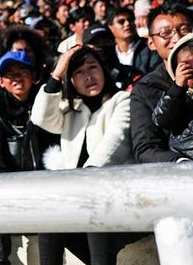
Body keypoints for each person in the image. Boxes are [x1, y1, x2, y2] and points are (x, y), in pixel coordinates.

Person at [31, 46, 137, 265]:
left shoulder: (121, 100)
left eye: (92, 67)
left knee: (96, 216)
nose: (88, 76)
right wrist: (57, 73)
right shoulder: (71, 110)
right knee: (47, 216)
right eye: (79, 72)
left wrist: (85, 183)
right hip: (76, 203)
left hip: (113, 202)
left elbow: (115, 143)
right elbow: (40, 118)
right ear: (71, 81)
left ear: (103, 70)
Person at [0, 51, 58, 265]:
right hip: (8, 187)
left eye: (22, 71)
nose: (16, 77)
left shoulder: (47, 104)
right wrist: (5, 185)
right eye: (9, 73)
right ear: (1, 82)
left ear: (33, 76)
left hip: (45, 184)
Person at [130, 0, 193, 163]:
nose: (178, 37)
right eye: (165, 32)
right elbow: (146, 149)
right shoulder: (145, 88)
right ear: (151, 43)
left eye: (184, 29)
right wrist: (181, 163)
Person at [152, 33, 193, 160]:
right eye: (189, 71)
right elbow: (162, 120)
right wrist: (178, 88)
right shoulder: (178, 98)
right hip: (191, 163)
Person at [106, 7, 161, 74]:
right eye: (121, 22)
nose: (127, 24)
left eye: (130, 20)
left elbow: (156, 73)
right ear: (111, 27)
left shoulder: (150, 46)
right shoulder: (108, 53)